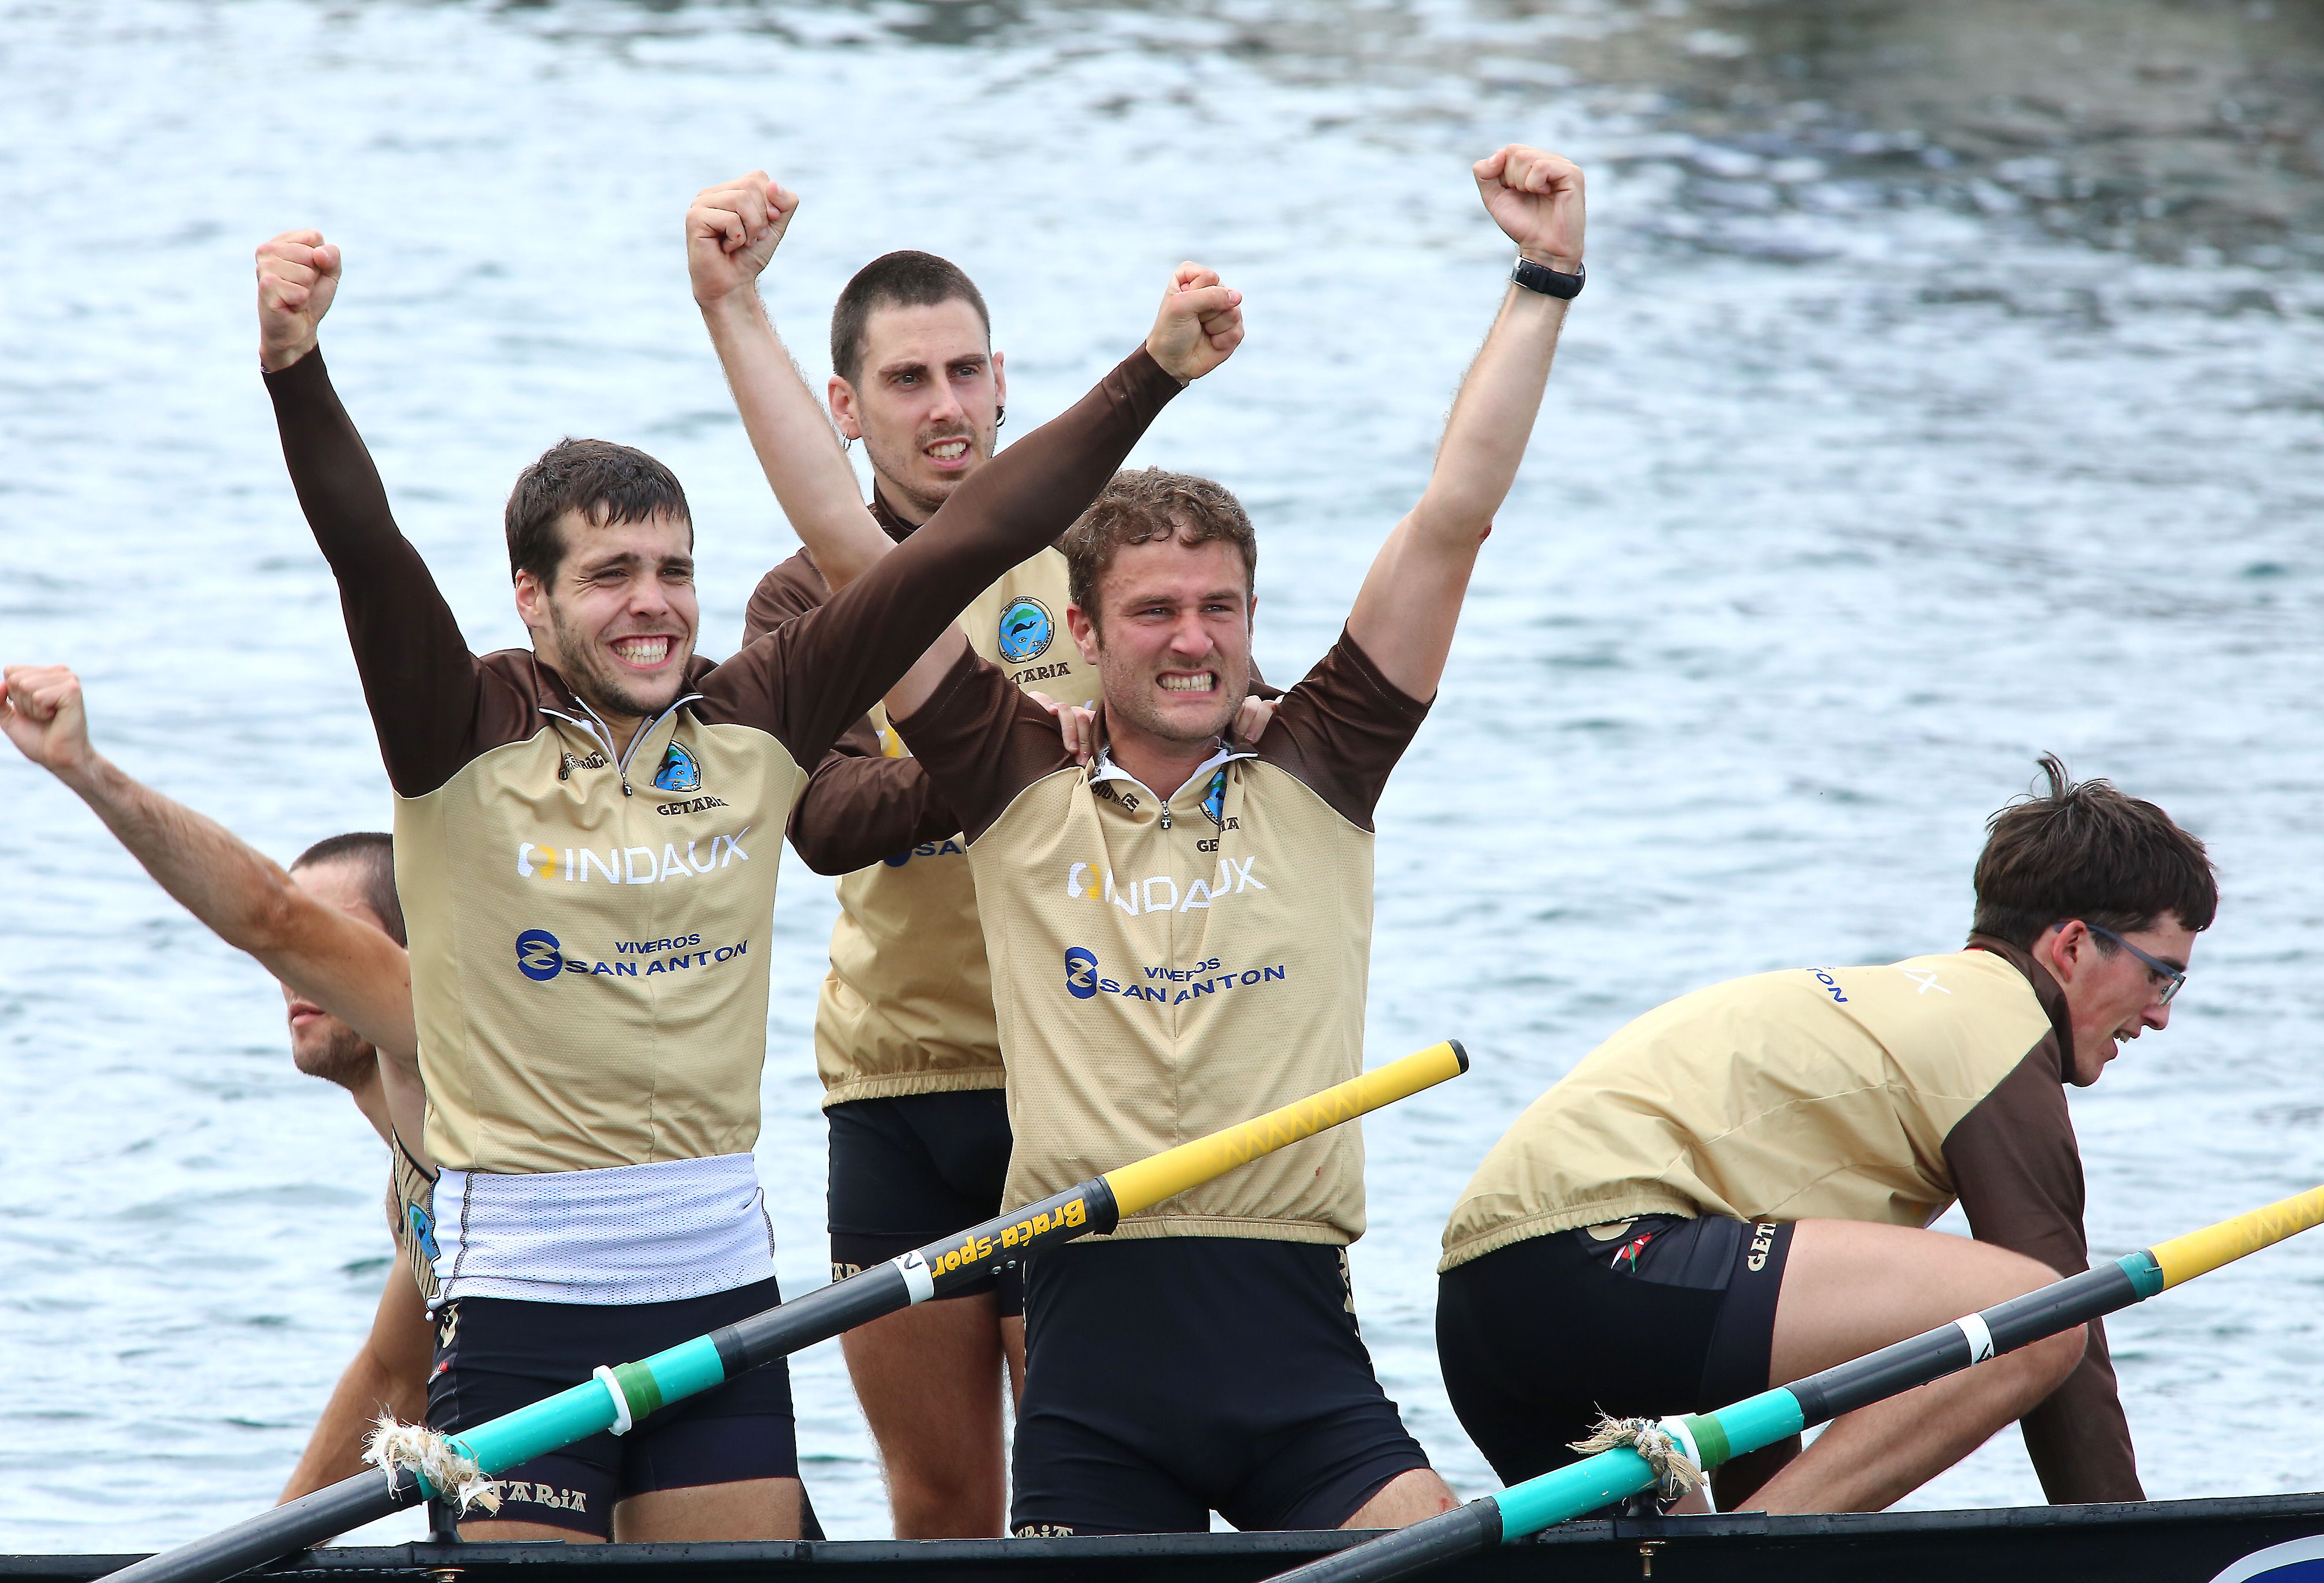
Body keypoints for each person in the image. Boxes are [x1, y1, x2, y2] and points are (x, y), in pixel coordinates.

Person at [249, 220, 1242, 1542]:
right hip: (525, 1318)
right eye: (609, 576)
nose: (651, 605)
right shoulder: (458, 727)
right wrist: (297, 368)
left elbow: (967, 538)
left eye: (672, 571)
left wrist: (1152, 372)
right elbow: (369, 556)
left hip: (721, 1298)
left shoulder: (755, 709)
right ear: (531, 603)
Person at [759, 143, 1585, 1535]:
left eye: (1219, 609)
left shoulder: (1320, 766)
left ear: (1256, 622)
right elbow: (846, 547)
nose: (1191, 640)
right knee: (946, 1509)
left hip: (1303, 1377)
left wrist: (1543, 278)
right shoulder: (1015, 782)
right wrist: (732, 309)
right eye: (1152, 613)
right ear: (1079, 638)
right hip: (1095, 1389)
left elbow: (1454, 516)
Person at [689, 177, 1273, 1537]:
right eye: (905, 380)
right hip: (896, 1088)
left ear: (1005, 382)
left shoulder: (1100, 554)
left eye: (964, 370)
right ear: (844, 410)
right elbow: (822, 823)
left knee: (1090, 1496)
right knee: (945, 1502)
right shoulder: (803, 596)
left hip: (1080, 1079)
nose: (942, 404)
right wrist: (999, 758)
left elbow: (1232, 714)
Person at [1435, 756, 2215, 1514]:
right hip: (1601, 1264)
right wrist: (2133, 1543)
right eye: (2161, 974)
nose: (2161, 1013)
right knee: (2045, 1317)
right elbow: (2052, 1323)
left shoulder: (1897, 1011)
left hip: (1484, 1308)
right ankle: (1754, 1561)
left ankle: (1748, 1553)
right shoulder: (1994, 1025)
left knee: (1663, 1556)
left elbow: (1746, 1335)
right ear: (2073, 945)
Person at [0, 663, 433, 1504]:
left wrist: (87, 770)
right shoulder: (415, 1187)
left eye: (332, 946)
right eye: (294, 962)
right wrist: (263, 1548)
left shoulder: (453, 1077)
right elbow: (398, 1373)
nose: (301, 972)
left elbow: (271, 913)